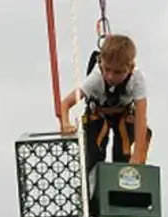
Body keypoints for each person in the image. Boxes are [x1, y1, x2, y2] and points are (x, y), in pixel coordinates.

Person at [58, 34, 152, 170]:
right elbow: (65, 104)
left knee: (124, 154)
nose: (110, 76)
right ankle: (93, 176)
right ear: (101, 62)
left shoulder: (137, 79)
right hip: (99, 113)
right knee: (94, 153)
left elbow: (141, 118)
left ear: (130, 69)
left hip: (123, 114)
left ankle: (123, 176)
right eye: (107, 69)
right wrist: (65, 123)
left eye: (117, 72)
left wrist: (137, 154)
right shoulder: (96, 78)